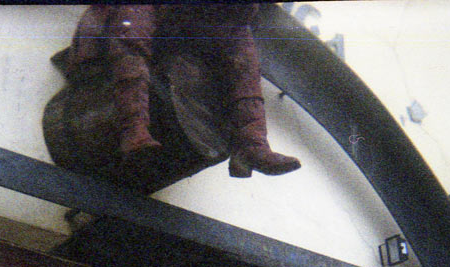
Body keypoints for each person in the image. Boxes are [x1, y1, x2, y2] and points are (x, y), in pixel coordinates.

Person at [66, 3, 301, 178]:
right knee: (133, 30)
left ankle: (253, 145)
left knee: (244, 60)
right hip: (148, 13)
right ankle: (133, 128)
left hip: (197, 17)